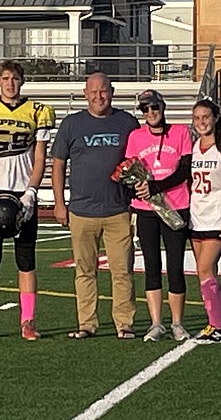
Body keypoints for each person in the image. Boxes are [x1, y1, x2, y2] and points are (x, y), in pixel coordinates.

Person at [0, 60, 55, 341]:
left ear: (22, 81)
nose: (10, 83)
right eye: (5, 78)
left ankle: (28, 321)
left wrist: (32, 192)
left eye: (15, 78)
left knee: (26, 260)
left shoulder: (37, 111)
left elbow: (40, 157)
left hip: (22, 192)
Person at [50, 72, 139, 339]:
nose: (99, 96)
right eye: (94, 91)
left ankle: (124, 323)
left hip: (118, 211)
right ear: (85, 93)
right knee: (85, 271)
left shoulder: (127, 122)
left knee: (122, 271)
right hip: (81, 211)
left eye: (104, 91)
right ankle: (86, 323)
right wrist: (59, 203)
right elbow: (58, 164)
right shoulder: (72, 124)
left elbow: (138, 160)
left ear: (112, 92)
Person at [126, 89, 192, 342]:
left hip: (176, 206)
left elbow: (184, 170)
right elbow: (129, 169)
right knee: (151, 265)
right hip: (147, 210)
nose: (151, 113)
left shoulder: (181, 133)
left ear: (163, 108)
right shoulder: (135, 137)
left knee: (175, 266)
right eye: (145, 109)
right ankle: (156, 323)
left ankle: (177, 323)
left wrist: (156, 187)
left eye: (154, 107)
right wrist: (137, 187)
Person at [189, 99, 221, 344]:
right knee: (205, 273)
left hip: (217, 217)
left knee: (204, 269)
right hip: (196, 218)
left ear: (216, 117)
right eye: (197, 118)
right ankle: (213, 323)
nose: (201, 122)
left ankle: (219, 327)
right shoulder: (195, 147)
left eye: (206, 117)